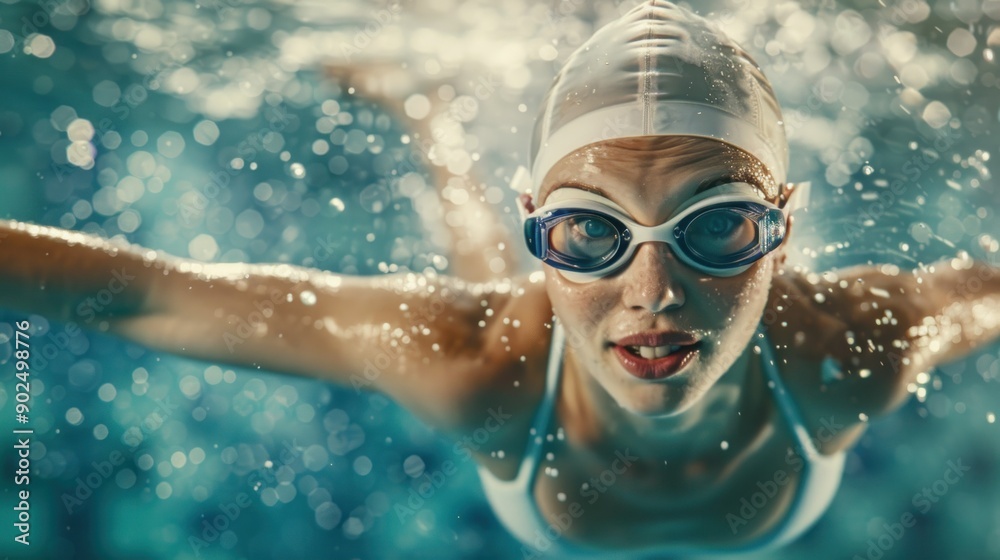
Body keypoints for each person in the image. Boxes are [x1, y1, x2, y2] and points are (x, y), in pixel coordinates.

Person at [1, 0, 998, 557]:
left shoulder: (846, 346)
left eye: (722, 226)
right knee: (493, 301)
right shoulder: (481, 363)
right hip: (528, 359)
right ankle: (431, 123)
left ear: (783, 227)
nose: (652, 289)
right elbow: (147, 291)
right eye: (585, 233)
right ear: (543, 225)